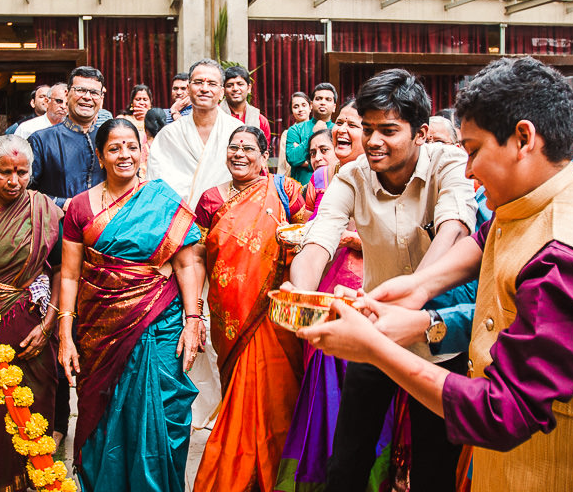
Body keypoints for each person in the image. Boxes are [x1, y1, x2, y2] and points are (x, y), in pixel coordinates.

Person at [308, 57, 573, 492]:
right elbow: (488, 240)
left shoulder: (567, 254)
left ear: (523, 138)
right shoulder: (570, 184)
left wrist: (373, 347)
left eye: (473, 151)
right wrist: (419, 291)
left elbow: (503, 412)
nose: (468, 171)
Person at [288, 69, 476, 491]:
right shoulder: (351, 175)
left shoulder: (449, 163)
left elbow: (455, 227)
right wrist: (301, 292)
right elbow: (320, 238)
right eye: (367, 128)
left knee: (434, 467)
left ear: (421, 133)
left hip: (437, 332)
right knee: (348, 458)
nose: (373, 141)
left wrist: (414, 295)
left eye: (388, 130)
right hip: (374, 331)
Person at [58, 119, 203, 492]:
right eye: (114, 148)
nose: (125, 155)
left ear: (143, 152)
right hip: (99, 328)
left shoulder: (164, 200)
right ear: (100, 155)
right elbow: (71, 276)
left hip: (160, 322)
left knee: (164, 411)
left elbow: (187, 263)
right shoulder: (79, 207)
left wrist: (192, 320)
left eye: (131, 147)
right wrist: (65, 335)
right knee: (103, 414)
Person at [193, 126, 308, 492]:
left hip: (275, 312)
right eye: (233, 147)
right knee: (238, 397)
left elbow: (306, 236)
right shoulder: (211, 199)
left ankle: (276, 476)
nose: (239, 154)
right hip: (231, 313)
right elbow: (197, 254)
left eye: (248, 148)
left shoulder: (284, 190)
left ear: (264, 155)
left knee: (278, 397)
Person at [275, 99, 367, 492]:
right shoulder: (332, 179)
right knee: (325, 387)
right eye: (339, 123)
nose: (341, 130)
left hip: (369, 291)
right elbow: (317, 240)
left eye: (353, 125)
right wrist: (302, 290)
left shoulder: (388, 180)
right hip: (329, 285)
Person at [0, 135, 63, 492]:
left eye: (22, 172)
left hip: (33, 326)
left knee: (37, 405)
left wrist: (49, 322)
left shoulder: (46, 210)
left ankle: (35, 481)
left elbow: (59, 270)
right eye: (5, 173)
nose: (14, 181)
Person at [147, 58, 243, 210]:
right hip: (178, 223)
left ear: (222, 92)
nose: (204, 88)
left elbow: (248, 182)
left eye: (212, 84)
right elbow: (156, 187)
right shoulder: (169, 136)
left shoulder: (238, 132)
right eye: (198, 82)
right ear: (188, 88)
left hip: (227, 221)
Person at [28, 67, 107, 207]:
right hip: (58, 225)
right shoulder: (41, 140)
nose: (87, 97)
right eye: (81, 90)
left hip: (105, 225)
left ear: (101, 98)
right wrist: (64, 204)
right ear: (67, 93)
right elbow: (26, 192)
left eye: (94, 92)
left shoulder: (108, 139)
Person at [286, 83, 337, 185]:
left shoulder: (337, 130)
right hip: (300, 191)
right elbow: (293, 158)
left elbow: (339, 162)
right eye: (318, 98)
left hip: (331, 189)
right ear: (312, 104)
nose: (323, 102)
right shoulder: (295, 130)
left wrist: (306, 162)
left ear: (334, 107)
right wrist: (313, 133)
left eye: (328, 99)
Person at [220, 65, 271, 141]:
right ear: (223, 90)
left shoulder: (260, 120)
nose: (235, 89)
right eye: (229, 85)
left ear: (249, 88)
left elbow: (264, 150)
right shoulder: (214, 115)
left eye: (240, 84)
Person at [118, 84, 153, 175]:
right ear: (132, 103)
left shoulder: (154, 121)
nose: (141, 103)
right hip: (127, 162)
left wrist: (148, 117)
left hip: (150, 164)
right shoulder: (122, 119)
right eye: (138, 99)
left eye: (145, 99)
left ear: (150, 103)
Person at [279, 92, 311, 177]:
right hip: (293, 179)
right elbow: (283, 164)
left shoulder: (318, 130)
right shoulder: (287, 134)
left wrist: (298, 151)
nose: (300, 109)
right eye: (296, 107)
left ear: (310, 107)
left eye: (304, 105)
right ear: (292, 111)